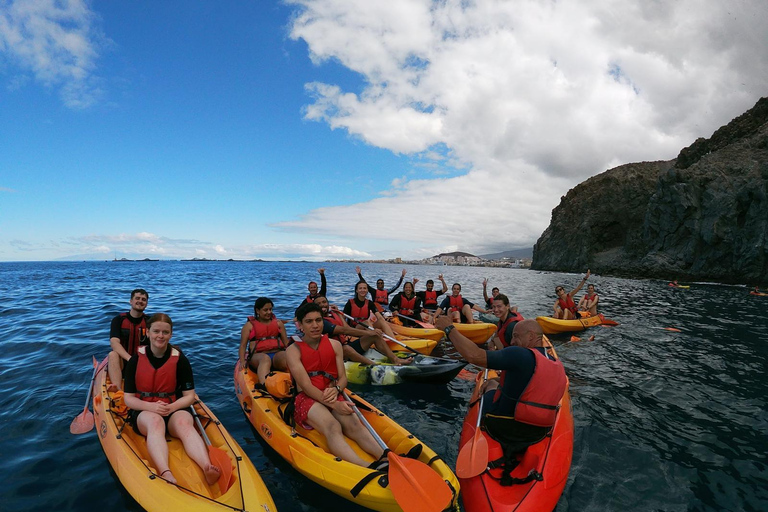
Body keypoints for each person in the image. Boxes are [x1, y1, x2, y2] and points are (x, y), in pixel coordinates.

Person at [436, 316, 567, 463]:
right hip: (538, 433)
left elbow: (474, 356)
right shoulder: (556, 364)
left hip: (503, 428)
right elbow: (531, 384)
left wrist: (449, 329)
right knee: (495, 382)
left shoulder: (519, 354)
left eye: (516, 336)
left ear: (531, 336)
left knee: (490, 384)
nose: (512, 342)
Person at [122, 313, 221, 486]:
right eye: (156, 331)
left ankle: (206, 466)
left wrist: (172, 407)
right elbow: (128, 399)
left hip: (173, 408)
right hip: (145, 411)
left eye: (165, 332)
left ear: (171, 334)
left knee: (184, 423)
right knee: (155, 423)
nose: (160, 336)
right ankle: (166, 472)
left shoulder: (180, 360)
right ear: (148, 333)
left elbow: (189, 396)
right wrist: (151, 407)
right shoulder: (136, 360)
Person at [286, 303, 386, 469]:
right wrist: (335, 404)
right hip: (307, 398)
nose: (315, 325)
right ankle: (365, 466)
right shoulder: (293, 350)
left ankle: (384, 457)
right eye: (309, 321)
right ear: (301, 325)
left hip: (332, 393)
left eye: (318, 320)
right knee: (332, 426)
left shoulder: (334, 345)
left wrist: (337, 389)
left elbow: (342, 379)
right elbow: (305, 386)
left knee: (354, 424)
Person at [315, 296, 410, 365]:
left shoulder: (333, 314)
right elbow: (344, 331)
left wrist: (339, 314)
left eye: (324, 302)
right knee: (346, 348)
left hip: (346, 345)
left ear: (328, 303)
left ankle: (395, 359)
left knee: (375, 336)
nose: (322, 305)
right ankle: (374, 365)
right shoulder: (320, 321)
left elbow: (347, 327)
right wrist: (368, 332)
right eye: (318, 304)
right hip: (335, 353)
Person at [239, 297, 289, 385]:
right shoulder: (249, 326)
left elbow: (286, 343)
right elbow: (243, 346)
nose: (269, 312)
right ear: (258, 311)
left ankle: (296, 384)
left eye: (270, 309)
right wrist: (242, 361)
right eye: (265, 310)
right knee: (265, 359)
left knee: (286, 356)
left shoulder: (278, 324)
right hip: (258, 357)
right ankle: (265, 385)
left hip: (276, 354)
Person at [108, 288, 150, 391]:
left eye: (143, 299)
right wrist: (130, 359)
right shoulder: (118, 320)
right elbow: (114, 342)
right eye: (137, 298)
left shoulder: (150, 322)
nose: (140, 301)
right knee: (113, 354)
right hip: (124, 362)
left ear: (146, 303)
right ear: (131, 301)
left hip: (143, 363)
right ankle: (118, 391)